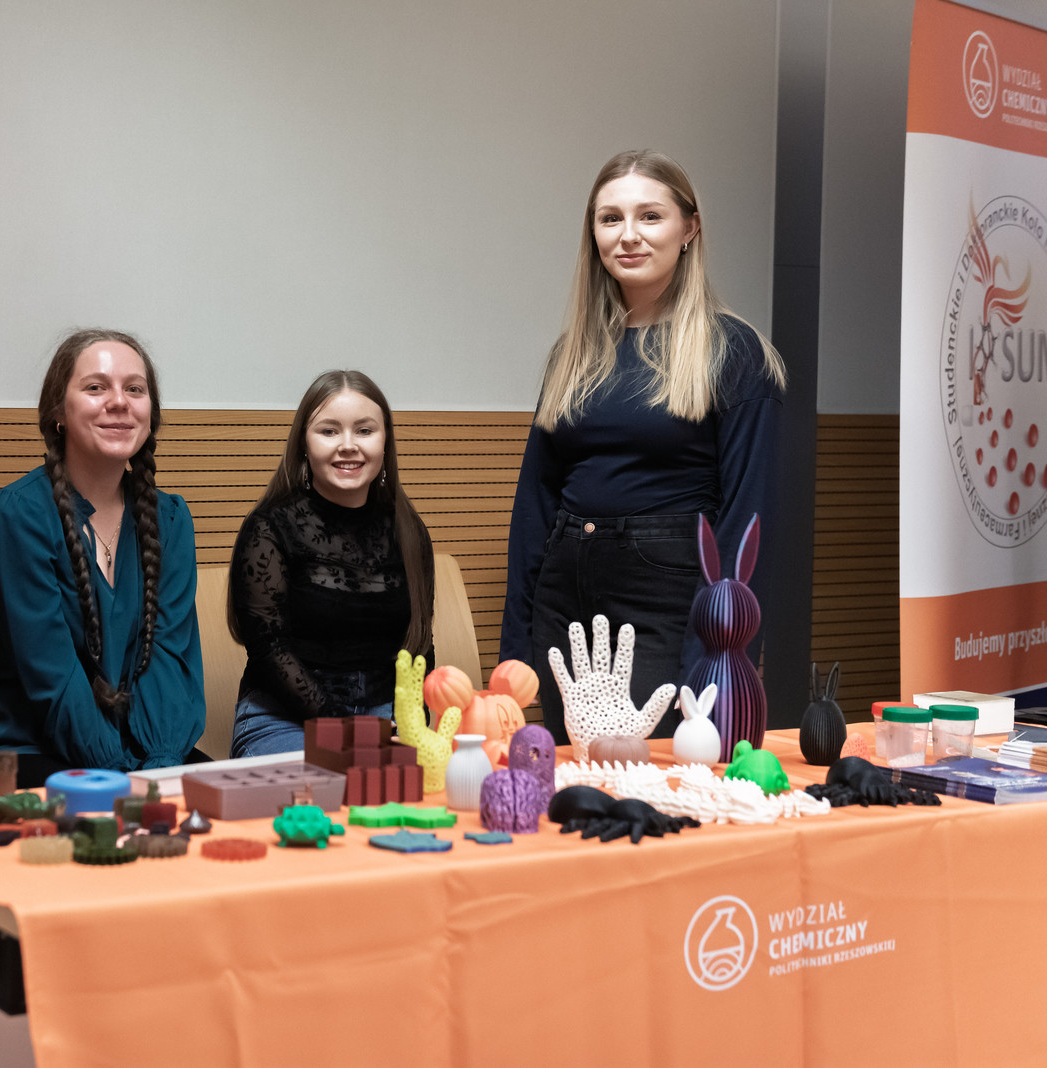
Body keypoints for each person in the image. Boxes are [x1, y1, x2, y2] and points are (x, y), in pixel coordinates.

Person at [498, 149, 787, 745]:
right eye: (610, 218)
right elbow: (534, 507)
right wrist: (515, 652)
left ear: (690, 228)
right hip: (563, 596)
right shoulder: (572, 353)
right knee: (571, 780)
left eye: (650, 216)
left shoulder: (735, 352)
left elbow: (745, 523)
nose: (628, 235)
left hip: (669, 603)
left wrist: (717, 657)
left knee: (648, 781)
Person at [0, 329, 206, 787]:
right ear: (57, 412)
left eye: (135, 389)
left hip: (142, 751)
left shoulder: (170, 519)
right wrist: (124, 783)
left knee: (234, 811)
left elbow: (169, 659)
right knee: (105, 821)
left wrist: (160, 768)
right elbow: (51, 679)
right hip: (23, 749)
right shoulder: (17, 516)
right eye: (96, 387)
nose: (119, 401)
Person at [227, 370, 435, 758]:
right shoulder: (269, 527)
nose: (348, 445)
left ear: (385, 441)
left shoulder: (409, 529)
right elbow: (269, 649)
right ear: (304, 444)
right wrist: (350, 732)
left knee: (434, 785)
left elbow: (419, 645)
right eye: (329, 431)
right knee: (333, 789)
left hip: (385, 714)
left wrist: (412, 725)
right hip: (285, 717)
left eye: (364, 430)